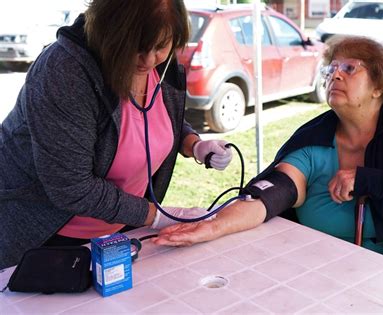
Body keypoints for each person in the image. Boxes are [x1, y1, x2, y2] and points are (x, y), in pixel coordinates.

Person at [153, 35, 383, 293]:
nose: (335, 74)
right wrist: (210, 226)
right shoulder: (315, 139)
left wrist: (372, 181)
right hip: (351, 273)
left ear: (379, 86)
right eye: (331, 69)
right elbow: (270, 195)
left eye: (350, 68)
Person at [0, 0, 233, 269]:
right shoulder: (65, 72)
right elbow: (71, 187)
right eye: (136, 48)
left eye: (159, 47)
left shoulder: (161, 63)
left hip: (121, 227)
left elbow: (157, 116)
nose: (148, 60)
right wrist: (157, 216)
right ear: (108, 32)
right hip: (48, 236)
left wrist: (194, 145)